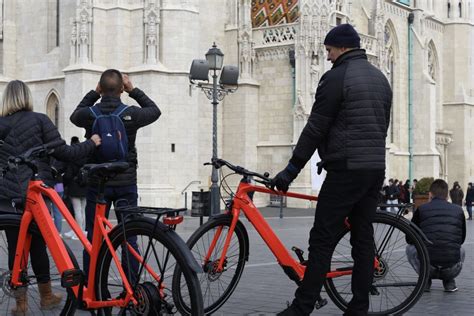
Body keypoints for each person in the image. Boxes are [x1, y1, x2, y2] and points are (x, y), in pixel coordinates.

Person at [272, 24, 392, 316]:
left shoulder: (336, 77)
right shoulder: (380, 78)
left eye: (328, 50)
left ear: (341, 48)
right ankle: (358, 307)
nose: (326, 56)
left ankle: (302, 308)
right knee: (362, 238)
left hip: (346, 169)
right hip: (374, 167)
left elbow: (315, 128)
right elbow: (382, 125)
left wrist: (291, 169)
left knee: (322, 239)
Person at [0, 80, 101, 315]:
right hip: (35, 193)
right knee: (38, 246)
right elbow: (64, 152)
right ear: (26, 97)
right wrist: (90, 144)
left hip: (8, 197)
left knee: (16, 248)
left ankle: (21, 304)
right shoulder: (39, 120)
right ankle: (46, 295)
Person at [70, 69, 161, 278]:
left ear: (101, 88)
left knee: (94, 238)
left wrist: (93, 94)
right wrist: (134, 90)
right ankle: (131, 288)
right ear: (122, 88)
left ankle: (92, 286)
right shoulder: (131, 113)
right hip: (126, 183)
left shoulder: (90, 114)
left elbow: (74, 115)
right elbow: (154, 111)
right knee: (129, 236)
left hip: (97, 184)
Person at [406, 179, 466, 292]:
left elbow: (409, 238)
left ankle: (425, 280)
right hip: (451, 268)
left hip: (427, 267)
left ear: (430, 194)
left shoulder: (422, 209)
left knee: (410, 248)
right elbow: (461, 240)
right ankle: (449, 281)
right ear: (447, 195)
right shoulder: (458, 210)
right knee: (460, 249)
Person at [63, 136, 88, 240]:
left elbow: (68, 175)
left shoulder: (72, 158)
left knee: (77, 210)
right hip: (85, 187)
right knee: (83, 210)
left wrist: (65, 182)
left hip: (74, 187)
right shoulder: (85, 157)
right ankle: (82, 230)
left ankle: (78, 232)